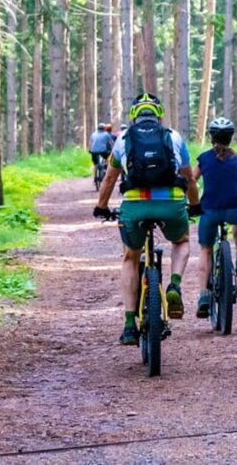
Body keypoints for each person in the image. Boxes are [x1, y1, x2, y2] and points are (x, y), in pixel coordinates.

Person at [93, 94, 202, 345]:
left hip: (135, 206)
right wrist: (194, 205)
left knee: (130, 258)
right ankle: (174, 285)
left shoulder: (123, 139)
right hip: (171, 204)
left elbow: (109, 179)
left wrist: (101, 207)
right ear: (158, 114)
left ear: (133, 116)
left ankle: (130, 325)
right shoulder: (174, 137)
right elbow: (189, 178)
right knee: (182, 241)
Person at [193, 118, 237, 318]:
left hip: (210, 211)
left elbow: (191, 181)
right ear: (231, 138)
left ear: (211, 137)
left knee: (205, 249)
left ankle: (203, 294)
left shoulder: (203, 159)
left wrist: (192, 203)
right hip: (235, 210)